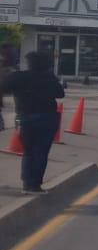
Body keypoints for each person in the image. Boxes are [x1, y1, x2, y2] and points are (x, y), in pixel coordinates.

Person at [4, 52, 64, 194]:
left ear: (28, 63)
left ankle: (27, 183)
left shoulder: (18, 76)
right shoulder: (49, 77)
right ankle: (35, 185)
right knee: (41, 152)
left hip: (25, 117)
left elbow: (4, 87)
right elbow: (60, 94)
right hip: (47, 117)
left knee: (28, 151)